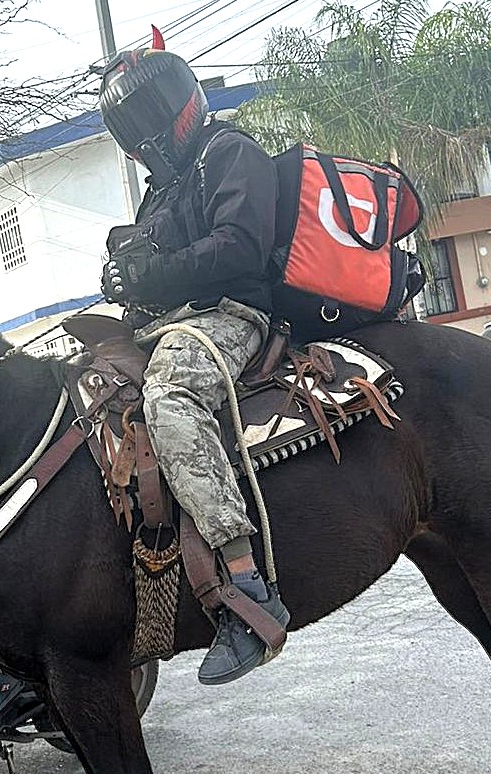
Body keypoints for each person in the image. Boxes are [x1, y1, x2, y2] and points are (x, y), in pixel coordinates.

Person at [98, 46, 289, 685]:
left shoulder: (230, 153)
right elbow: (159, 270)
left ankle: (244, 584)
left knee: (170, 397)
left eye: (150, 123)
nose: (146, 143)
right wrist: (127, 280)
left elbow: (240, 246)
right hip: (171, 320)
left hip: (234, 316)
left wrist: (161, 270)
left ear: (181, 108)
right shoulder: (162, 193)